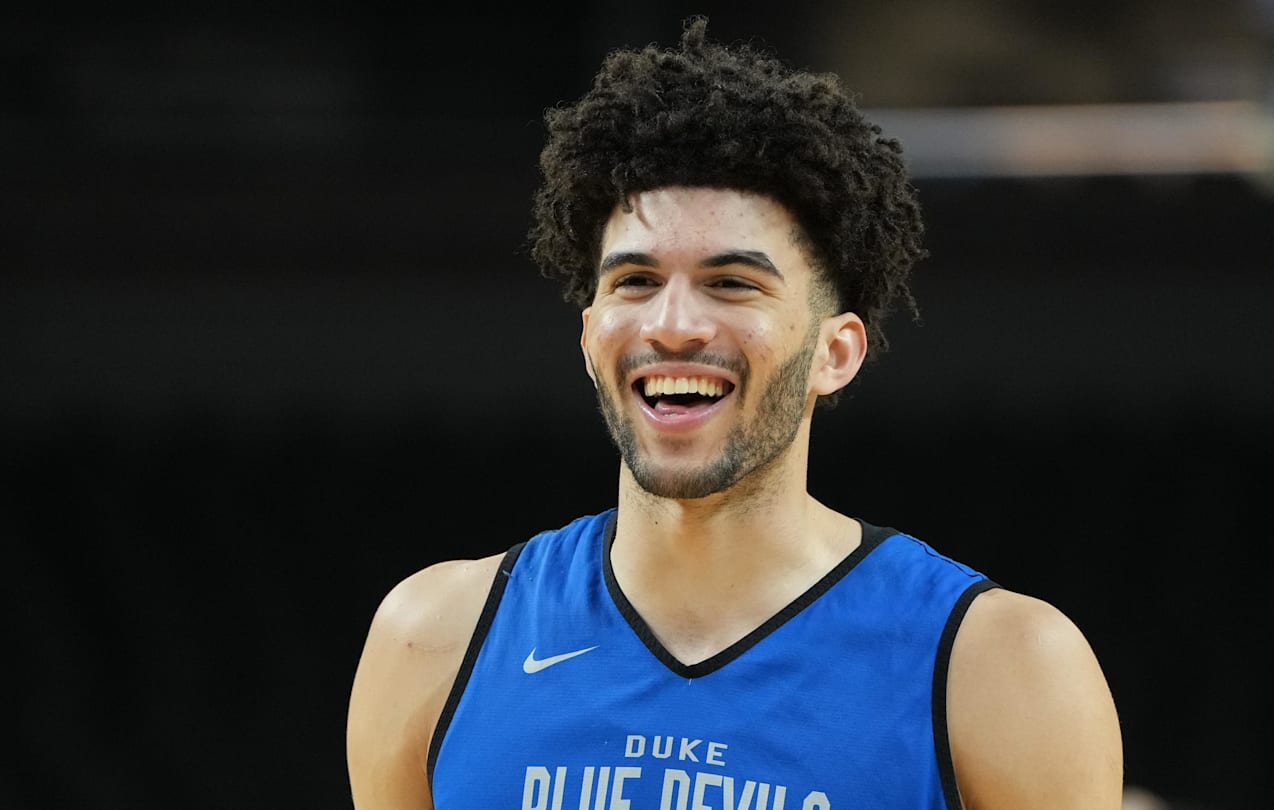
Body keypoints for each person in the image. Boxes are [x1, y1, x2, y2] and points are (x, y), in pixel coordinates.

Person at [347, 16, 1123, 810]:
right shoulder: (433, 639)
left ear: (837, 353)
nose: (672, 324)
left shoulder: (1001, 669)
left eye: (732, 283)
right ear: (590, 338)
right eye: (636, 281)